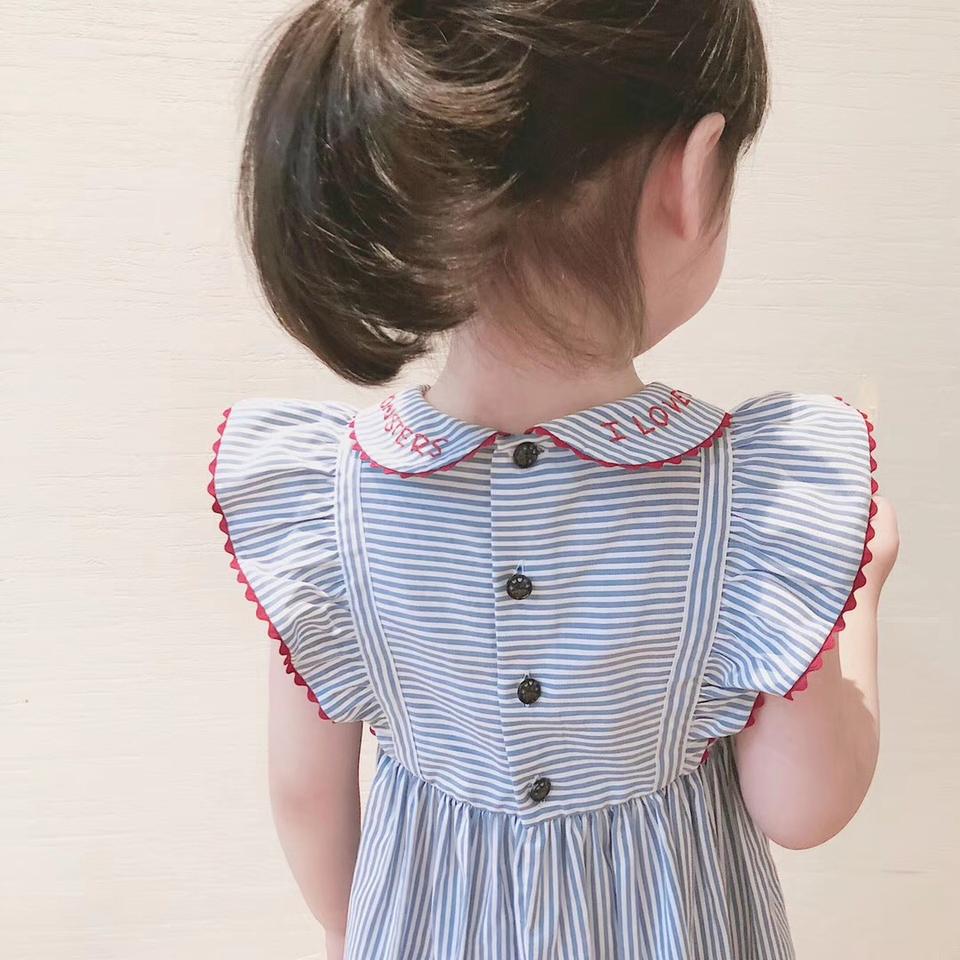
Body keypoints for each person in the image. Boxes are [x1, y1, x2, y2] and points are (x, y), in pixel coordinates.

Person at [208, 1, 900, 957]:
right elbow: (804, 802)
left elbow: (305, 792)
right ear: (693, 173)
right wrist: (856, 584)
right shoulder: (755, 498)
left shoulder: (331, 499)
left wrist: (347, 932)